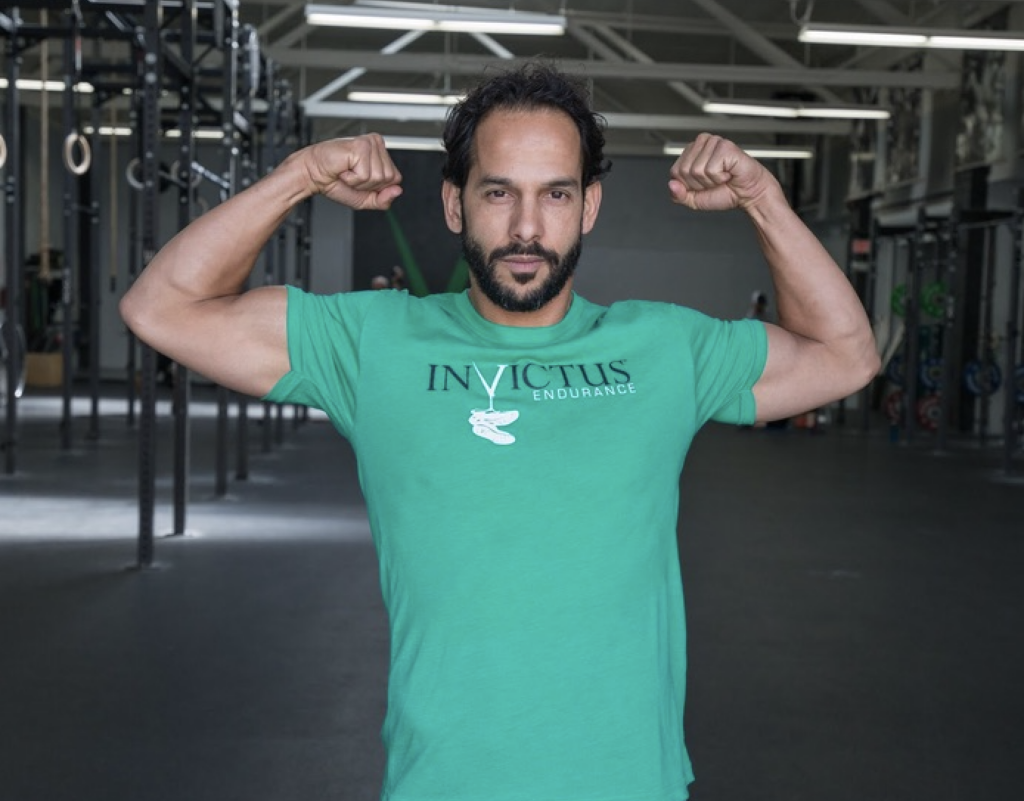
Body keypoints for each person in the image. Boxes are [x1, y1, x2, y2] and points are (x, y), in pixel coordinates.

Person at [120, 62, 878, 801]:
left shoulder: (664, 348)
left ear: (589, 207)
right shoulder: (372, 343)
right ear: (455, 205)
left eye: (555, 194)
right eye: (497, 192)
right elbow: (162, 308)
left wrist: (765, 199)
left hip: (625, 783)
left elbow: (846, 356)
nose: (525, 227)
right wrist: (298, 175)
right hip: (442, 782)